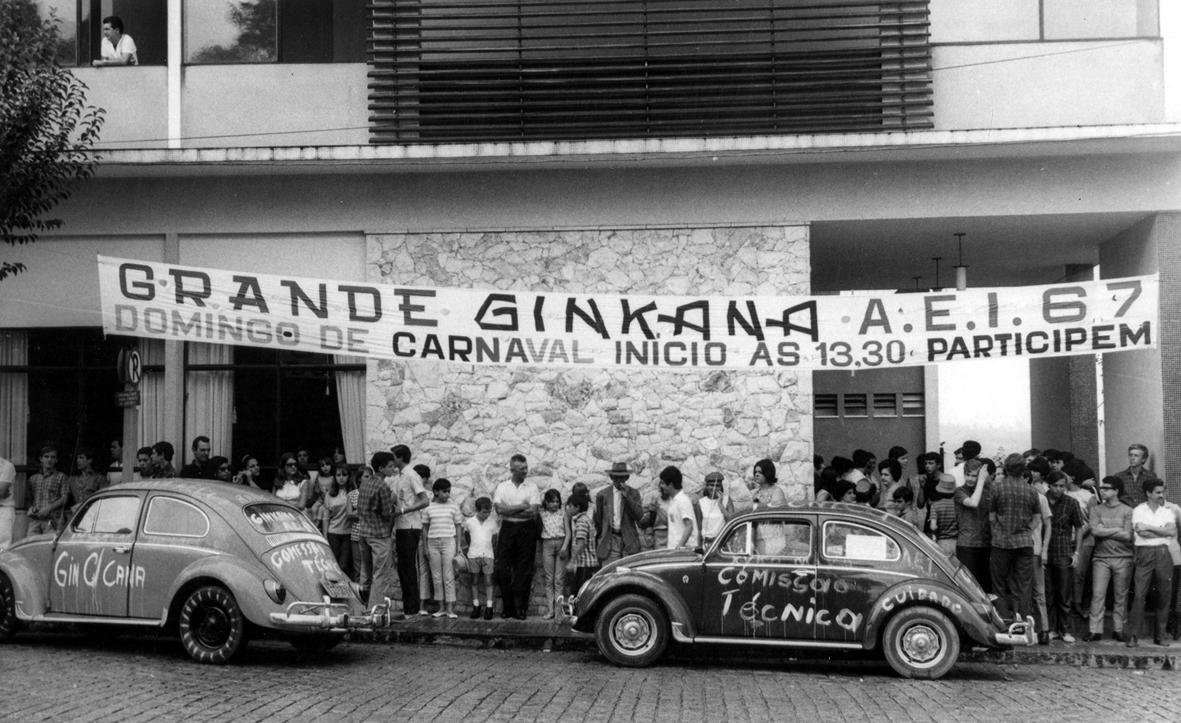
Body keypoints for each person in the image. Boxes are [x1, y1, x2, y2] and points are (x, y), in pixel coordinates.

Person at [988, 454, 1043, 622]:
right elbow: (1037, 518)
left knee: (999, 583)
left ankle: (1005, 620)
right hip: (1024, 542)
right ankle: (1025, 618)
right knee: (1024, 584)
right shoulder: (1032, 490)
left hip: (1001, 542)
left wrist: (997, 531)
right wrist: (1026, 529)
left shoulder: (997, 488)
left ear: (1006, 468)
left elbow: (991, 516)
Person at [1127, 478, 1175, 647]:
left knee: (1164, 594)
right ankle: (1133, 636)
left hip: (1163, 553)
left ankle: (1160, 635)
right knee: (1140, 594)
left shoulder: (1167, 511)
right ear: (1148, 493)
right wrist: (1162, 532)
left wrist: (1151, 528)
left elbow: (1172, 531)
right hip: (1144, 553)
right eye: (1158, 492)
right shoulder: (1139, 510)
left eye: (1162, 492)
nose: (1161, 495)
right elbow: (1141, 531)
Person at [1087, 476, 1134, 642]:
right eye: (1102, 487)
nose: (1102, 490)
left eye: (1107, 488)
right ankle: (1095, 630)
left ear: (1116, 491)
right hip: (1101, 558)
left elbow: (1127, 535)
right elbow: (1094, 531)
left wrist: (1105, 529)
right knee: (1098, 594)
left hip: (1123, 557)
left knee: (1121, 596)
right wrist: (1117, 530)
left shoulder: (1127, 510)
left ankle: (1119, 629)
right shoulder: (1096, 509)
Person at [493, 453, 540, 620]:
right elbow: (499, 510)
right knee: (503, 569)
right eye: (521, 469)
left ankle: (521, 609)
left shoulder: (532, 487)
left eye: (526, 468)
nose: (525, 471)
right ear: (512, 470)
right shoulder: (502, 487)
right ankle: (508, 608)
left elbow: (533, 512)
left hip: (527, 529)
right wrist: (521, 506)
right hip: (507, 529)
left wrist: (510, 509)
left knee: (524, 570)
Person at [1044, 470, 1085, 643]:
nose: (1059, 489)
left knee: (1064, 593)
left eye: (1062, 486)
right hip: (1045, 552)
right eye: (1055, 486)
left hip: (1063, 551)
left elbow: (1079, 527)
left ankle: (1066, 630)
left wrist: (1076, 552)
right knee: (1048, 593)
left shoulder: (1071, 503)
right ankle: (1052, 629)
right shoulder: (1041, 500)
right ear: (1049, 485)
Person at [388, 444, 429, 616]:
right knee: (403, 568)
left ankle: (412, 609)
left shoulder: (412, 475)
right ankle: (408, 607)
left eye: (394, 457)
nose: (392, 461)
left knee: (408, 568)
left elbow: (425, 500)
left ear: (400, 457)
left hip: (410, 526)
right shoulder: (399, 477)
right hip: (401, 526)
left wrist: (404, 510)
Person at [357, 453, 398, 615]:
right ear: (381, 468)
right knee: (380, 575)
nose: (393, 469)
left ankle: (362, 607)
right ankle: (375, 611)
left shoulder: (364, 484)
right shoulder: (383, 486)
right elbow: (387, 513)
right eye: (390, 466)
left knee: (366, 573)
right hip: (379, 534)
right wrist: (397, 506)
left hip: (364, 532)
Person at [422, 478, 463, 619]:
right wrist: (426, 547)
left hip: (448, 542)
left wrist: (458, 546)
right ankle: (441, 608)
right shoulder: (429, 507)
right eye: (444, 491)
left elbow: (458, 527)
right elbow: (425, 528)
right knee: (436, 577)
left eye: (449, 491)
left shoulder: (454, 507)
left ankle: (450, 609)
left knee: (448, 576)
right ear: (436, 492)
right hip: (432, 542)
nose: (447, 494)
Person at [954, 458, 992, 593]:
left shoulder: (988, 492)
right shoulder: (959, 491)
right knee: (968, 589)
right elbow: (973, 503)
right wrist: (981, 480)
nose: (970, 479)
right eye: (967, 474)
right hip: (967, 545)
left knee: (984, 588)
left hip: (985, 544)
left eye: (974, 475)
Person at [594, 462, 644, 564]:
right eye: (616, 478)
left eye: (622, 478)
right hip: (610, 539)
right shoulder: (602, 495)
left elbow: (639, 516)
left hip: (628, 540)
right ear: (612, 478)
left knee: (628, 572)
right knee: (610, 573)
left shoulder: (633, 493)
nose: (619, 481)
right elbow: (598, 520)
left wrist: (627, 498)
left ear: (626, 478)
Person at [315, 463, 355, 576]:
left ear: (349, 476)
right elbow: (326, 517)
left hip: (348, 533)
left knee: (343, 565)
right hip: (333, 533)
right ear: (334, 477)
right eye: (338, 475)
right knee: (333, 564)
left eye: (344, 475)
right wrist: (325, 535)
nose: (341, 478)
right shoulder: (330, 494)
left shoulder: (353, 493)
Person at [464, 497, 497, 620]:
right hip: (474, 554)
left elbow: (494, 540)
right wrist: (471, 548)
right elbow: (467, 536)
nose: (487, 514)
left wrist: (491, 550)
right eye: (484, 512)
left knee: (488, 581)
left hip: (488, 555)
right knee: (474, 581)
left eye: (489, 512)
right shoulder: (470, 522)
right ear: (477, 510)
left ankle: (489, 607)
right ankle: (476, 606)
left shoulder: (492, 522)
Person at [538, 489, 567, 619]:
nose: (555, 504)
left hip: (561, 544)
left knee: (559, 580)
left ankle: (559, 611)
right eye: (552, 501)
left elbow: (568, 532)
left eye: (557, 501)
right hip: (547, 545)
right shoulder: (542, 514)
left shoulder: (563, 514)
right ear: (546, 502)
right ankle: (551, 610)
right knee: (549, 579)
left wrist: (565, 547)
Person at [26, 445, 67, 535]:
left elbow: (65, 498)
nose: (49, 460)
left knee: (49, 545)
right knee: (31, 545)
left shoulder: (61, 477)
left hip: (52, 521)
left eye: (53, 457)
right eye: (46, 456)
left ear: (56, 460)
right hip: (35, 520)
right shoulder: (33, 478)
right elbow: (28, 499)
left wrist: (49, 508)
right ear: (41, 459)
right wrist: (31, 508)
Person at [412, 463, 435, 617]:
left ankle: (423, 602)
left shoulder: (424, 494)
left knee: (422, 570)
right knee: (425, 570)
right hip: (424, 532)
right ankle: (423, 602)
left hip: (420, 531)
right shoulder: (429, 495)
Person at [565, 494, 598, 596]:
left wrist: (571, 561)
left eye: (570, 506)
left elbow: (581, 544)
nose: (568, 509)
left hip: (584, 565)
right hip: (586, 564)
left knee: (578, 595)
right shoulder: (585, 519)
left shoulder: (581, 522)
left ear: (577, 507)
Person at [660, 466, 697, 550]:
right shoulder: (673, 501)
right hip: (675, 551)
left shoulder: (683, 501)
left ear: (671, 484)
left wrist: (679, 546)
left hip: (683, 552)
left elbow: (689, 526)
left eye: (663, 483)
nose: (661, 486)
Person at [65, 448, 108, 519]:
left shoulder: (99, 478)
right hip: (77, 515)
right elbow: (65, 497)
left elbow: (104, 500)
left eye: (81, 458)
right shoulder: (72, 479)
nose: (78, 460)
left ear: (89, 460)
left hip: (94, 515)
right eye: (77, 458)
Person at [1116, 443, 1159, 509]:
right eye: (1130, 455)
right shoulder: (1119, 476)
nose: (1132, 458)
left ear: (1143, 459)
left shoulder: (1150, 476)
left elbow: (1154, 497)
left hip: (1144, 513)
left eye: (1136, 456)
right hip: (1126, 514)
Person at [698, 472, 735, 546]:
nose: (714, 488)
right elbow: (699, 528)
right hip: (706, 543)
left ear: (721, 487)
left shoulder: (727, 500)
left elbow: (732, 521)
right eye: (711, 485)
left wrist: (720, 504)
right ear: (707, 486)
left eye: (717, 486)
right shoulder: (701, 502)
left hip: (722, 543)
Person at [927, 474, 959, 555]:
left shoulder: (935, 506)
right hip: (957, 543)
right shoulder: (958, 505)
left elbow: (933, 526)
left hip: (942, 543)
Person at [0, 455, 16, 552]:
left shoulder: (6, 466)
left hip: (3, 510)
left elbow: (1, 491)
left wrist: (1, 490)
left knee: (2, 549)